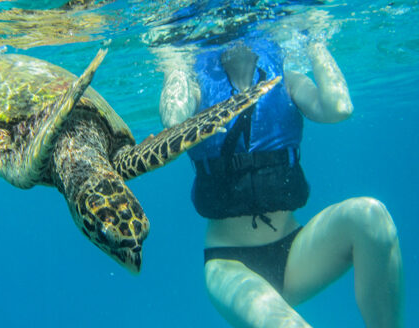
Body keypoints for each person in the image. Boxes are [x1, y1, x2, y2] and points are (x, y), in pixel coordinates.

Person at [157, 27, 404, 327]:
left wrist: (315, 42)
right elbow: (173, 120)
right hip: (230, 264)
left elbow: (339, 108)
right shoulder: (198, 87)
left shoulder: (286, 79)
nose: (237, 34)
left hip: (296, 253)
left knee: (372, 217)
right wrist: (176, 65)